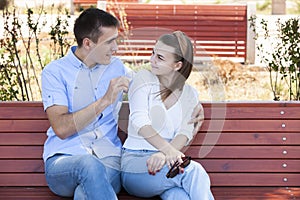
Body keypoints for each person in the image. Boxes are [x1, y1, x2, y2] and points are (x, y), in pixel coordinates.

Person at [41, 8, 203, 200]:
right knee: (89, 165)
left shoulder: (117, 68)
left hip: (109, 161)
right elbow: (61, 128)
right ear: (88, 44)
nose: (115, 48)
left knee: (84, 194)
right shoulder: (55, 72)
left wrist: (192, 107)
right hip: (64, 161)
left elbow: (155, 85)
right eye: (110, 42)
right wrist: (104, 101)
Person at [121, 31, 214, 200]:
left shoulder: (189, 94)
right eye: (153, 53)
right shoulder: (143, 79)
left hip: (168, 165)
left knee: (178, 197)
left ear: (177, 65)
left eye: (160, 58)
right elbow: (139, 121)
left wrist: (164, 155)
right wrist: (168, 151)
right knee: (194, 171)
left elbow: (184, 133)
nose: (152, 60)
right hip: (135, 164)